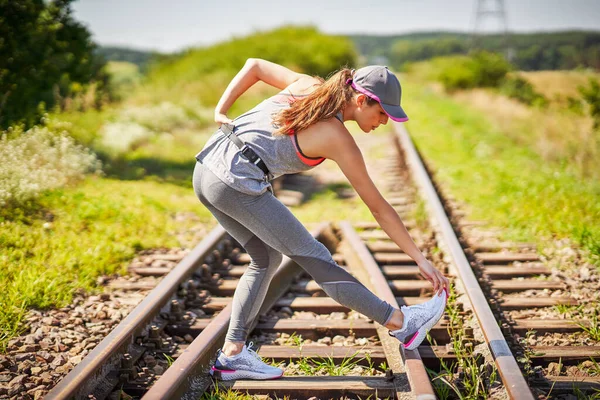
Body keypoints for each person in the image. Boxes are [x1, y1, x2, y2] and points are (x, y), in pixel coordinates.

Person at [193, 58, 450, 381]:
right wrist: (419, 259)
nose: (385, 122)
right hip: (236, 182)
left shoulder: (307, 85)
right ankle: (402, 324)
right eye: (382, 112)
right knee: (317, 258)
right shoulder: (336, 137)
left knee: (266, 258)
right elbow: (379, 208)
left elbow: (254, 65)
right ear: (360, 100)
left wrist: (221, 110)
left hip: (206, 170)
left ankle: (233, 354)